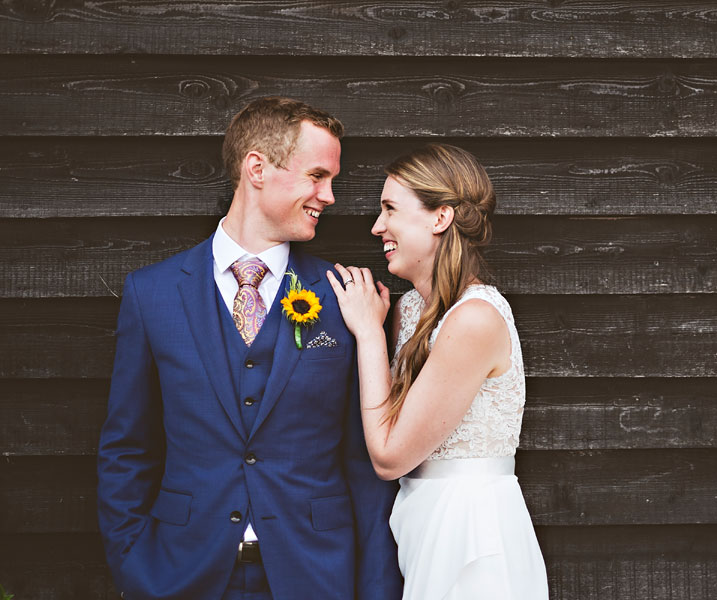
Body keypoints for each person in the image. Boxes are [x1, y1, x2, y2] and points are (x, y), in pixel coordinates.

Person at [96, 97, 403, 600]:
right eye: (317, 176)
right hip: (179, 573)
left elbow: (362, 460)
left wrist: (373, 588)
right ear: (256, 168)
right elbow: (128, 447)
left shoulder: (346, 297)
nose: (329, 196)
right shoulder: (151, 293)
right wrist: (134, 565)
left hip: (315, 574)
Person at [326, 143, 549, 600]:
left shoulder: (474, 318)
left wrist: (368, 334)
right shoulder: (411, 308)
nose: (377, 226)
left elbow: (389, 456)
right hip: (421, 518)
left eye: (390, 208)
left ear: (440, 218)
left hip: (470, 529)